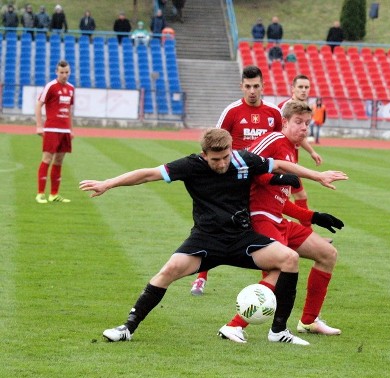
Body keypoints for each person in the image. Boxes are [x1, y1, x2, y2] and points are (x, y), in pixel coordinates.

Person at [79, 128, 348, 345]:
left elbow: (278, 164)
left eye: (225, 157)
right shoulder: (190, 166)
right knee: (169, 270)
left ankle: (278, 332)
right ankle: (128, 327)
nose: (221, 164)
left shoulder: (243, 160)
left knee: (289, 259)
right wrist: (108, 183)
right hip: (205, 240)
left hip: (242, 239)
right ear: (203, 154)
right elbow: (148, 174)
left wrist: (318, 176)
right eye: (215, 159)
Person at [218, 101, 344, 343]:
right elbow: (245, 167)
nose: (304, 128)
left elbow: (279, 199)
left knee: (327, 254)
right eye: (298, 122)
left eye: (307, 123)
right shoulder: (273, 139)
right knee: (279, 268)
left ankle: (308, 321)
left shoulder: (292, 150)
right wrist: (275, 179)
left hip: (278, 218)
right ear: (284, 122)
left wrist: (313, 216)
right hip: (259, 217)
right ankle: (234, 326)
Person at [191, 66, 283, 295]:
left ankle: (270, 279)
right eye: (248, 86)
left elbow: (279, 142)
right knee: (216, 224)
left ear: (263, 86)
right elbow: (213, 141)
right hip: (233, 178)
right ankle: (201, 277)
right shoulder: (232, 111)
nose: (252, 91)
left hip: (261, 179)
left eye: (256, 86)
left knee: (266, 224)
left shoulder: (273, 113)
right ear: (241, 86)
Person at [278, 75, 323, 227]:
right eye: (300, 87)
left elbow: (298, 135)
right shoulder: (284, 108)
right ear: (293, 89)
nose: (304, 90)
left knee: (299, 195)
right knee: (283, 199)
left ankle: (306, 234)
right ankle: (291, 234)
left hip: (292, 159)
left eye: (306, 87)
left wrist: (311, 152)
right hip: (283, 160)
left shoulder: (302, 108)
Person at [35, 60, 74, 204]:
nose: (64, 75)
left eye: (67, 72)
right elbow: (39, 104)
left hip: (64, 130)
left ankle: (54, 194)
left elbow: (69, 110)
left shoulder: (71, 88)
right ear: (56, 72)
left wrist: (71, 129)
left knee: (59, 161)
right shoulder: (50, 86)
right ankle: (40, 194)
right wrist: (39, 126)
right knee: (47, 159)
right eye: (62, 72)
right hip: (51, 129)